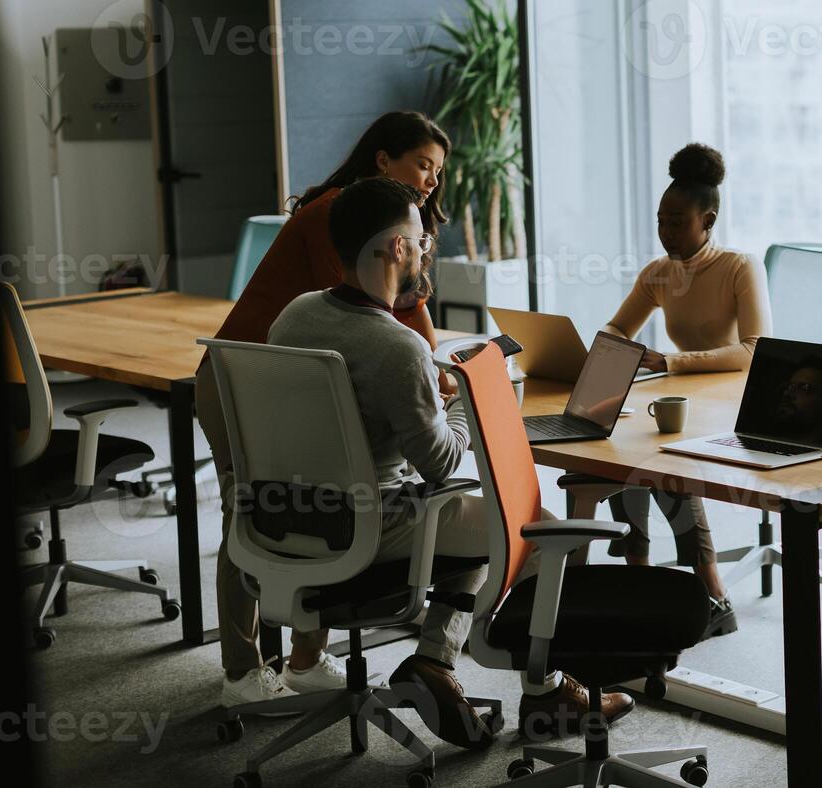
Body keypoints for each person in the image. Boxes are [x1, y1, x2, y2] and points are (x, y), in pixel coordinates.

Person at [268, 177, 633, 746]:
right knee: (534, 527)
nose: (425, 250)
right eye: (420, 239)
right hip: (372, 524)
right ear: (395, 249)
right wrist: (466, 401)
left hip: (293, 515)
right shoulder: (396, 345)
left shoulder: (294, 316)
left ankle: (436, 662)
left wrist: (423, 405)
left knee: (473, 513)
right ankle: (546, 691)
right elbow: (440, 462)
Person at [197, 111, 452, 711]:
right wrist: (431, 369)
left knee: (321, 493)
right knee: (255, 509)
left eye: (438, 173)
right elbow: (376, 305)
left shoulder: (374, 215)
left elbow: (389, 309)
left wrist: (427, 365)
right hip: (239, 380)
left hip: (282, 378)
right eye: (422, 165)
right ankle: (240, 672)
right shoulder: (341, 214)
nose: (431, 182)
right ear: (383, 159)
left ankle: (306, 661)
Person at [602, 143, 772, 638]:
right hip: (682, 397)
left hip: (734, 398)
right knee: (616, 445)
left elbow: (755, 350)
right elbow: (617, 328)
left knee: (662, 458)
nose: (666, 231)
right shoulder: (659, 273)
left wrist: (670, 361)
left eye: (677, 221)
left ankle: (713, 588)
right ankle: (639, 571)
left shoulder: (740, 267)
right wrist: (602, 353)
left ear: (708, 220)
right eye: (660, 220)